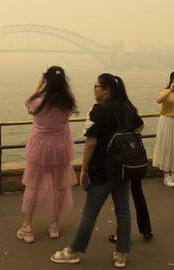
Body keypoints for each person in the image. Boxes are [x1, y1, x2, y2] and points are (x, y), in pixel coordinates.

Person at [51, 74, 144, 268]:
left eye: (96, 86)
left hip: (102, 170)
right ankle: (121, 254)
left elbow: (91, 143)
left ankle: (73, 251)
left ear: (107, 89)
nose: (94, 90)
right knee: (124, 211)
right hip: (124, 169)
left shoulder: (98, 110)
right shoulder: (126, 107)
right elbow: (140, 126)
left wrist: (83, 169)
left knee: (90, 213)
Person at [16, 66, 78, 243]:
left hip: (39, 147)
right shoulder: (68, 101)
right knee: (59, 185)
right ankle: (54, 225)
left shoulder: (38, 101)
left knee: (33, 185)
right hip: (60, 147)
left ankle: (27, 227)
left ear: (47, 80)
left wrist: (39, 83)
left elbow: (27, 102)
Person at [152, 71, 174, 187]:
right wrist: (170, 90)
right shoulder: (166, 91)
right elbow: (159, 100)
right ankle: (166, 175)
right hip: (167, 120)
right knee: (167, 146)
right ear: (171, 80)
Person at [107, 178, 153, 245]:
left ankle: (122, 236)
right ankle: (146, 230)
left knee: (121, 200)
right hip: (134, 169)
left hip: (122, 171)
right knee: (138, 193)